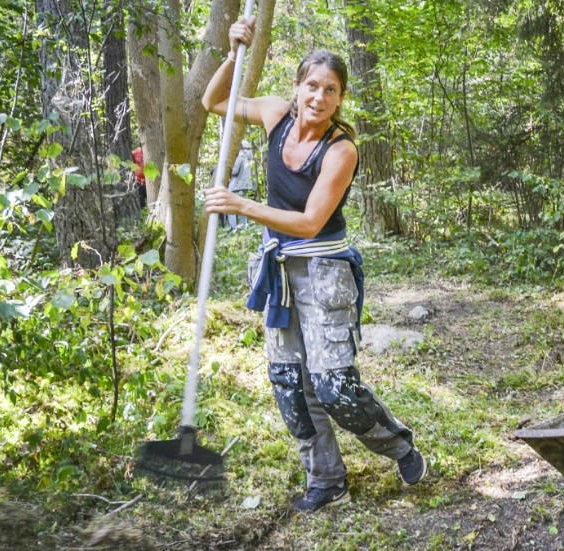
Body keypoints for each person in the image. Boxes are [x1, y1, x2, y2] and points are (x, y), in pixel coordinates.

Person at [201, 17, 427, 512]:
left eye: (330, 89)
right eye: (311, 85)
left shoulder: (341, 150)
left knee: (334, 387)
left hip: (324, 273)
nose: (318, 97)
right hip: (280, 273)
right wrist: (233, 51)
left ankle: (400, 446)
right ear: (297, 86)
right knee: (290, 384)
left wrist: (242, 206)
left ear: (340, 97)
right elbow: (214, 102)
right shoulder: (274, 114)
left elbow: (307, 222)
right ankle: (326, 480)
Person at [227, 140, 254, 230]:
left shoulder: (240, 156)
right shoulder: (248, 157)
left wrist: (228, 168)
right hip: (245, 185)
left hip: (236, 185)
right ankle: (244, 225)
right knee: (242, 205)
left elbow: (234, 171)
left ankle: (233, 227)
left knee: (230, 205)